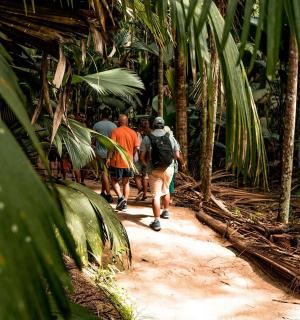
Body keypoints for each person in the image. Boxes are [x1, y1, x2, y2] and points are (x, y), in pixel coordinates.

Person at [140, 117, 180, 231]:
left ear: (153, 125)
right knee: (166, 190)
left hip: (154, 170)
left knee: (156, 195)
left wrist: (147, 166)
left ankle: (157, 221)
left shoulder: (148, 138)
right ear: (163, 125)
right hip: (168, 169)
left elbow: (142, 157)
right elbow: (177, 155)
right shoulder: (170, 137)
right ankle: (166, 211)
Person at [107, 114, 140, 211]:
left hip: (116, 161)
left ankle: (120, 197)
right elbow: (136, 148)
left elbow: (112, 146)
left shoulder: (115, 131)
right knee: (126, 182)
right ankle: (124, 202)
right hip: (128, 162)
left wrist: (108, 158)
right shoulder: (133, 133)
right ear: (127, 122)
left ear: (118, 122)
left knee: (113, 180)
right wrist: (131, 157)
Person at [93, 107, 117, 203]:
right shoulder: (114, 126)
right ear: (110, 115)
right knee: (105, 173)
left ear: (101, 115)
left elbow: (93, 139)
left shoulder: (97, 125)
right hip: (110, 153)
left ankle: (108, 194)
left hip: (100, 153)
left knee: (104, 173)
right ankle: (103, 192)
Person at [134, 119, 151, 201]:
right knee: (145, 176)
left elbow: (136, 146)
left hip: (137, 157)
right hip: (147, 158)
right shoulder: (150, 134)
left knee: (136, 175)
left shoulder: (137, 134)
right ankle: (144, 194)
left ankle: (140, 189)